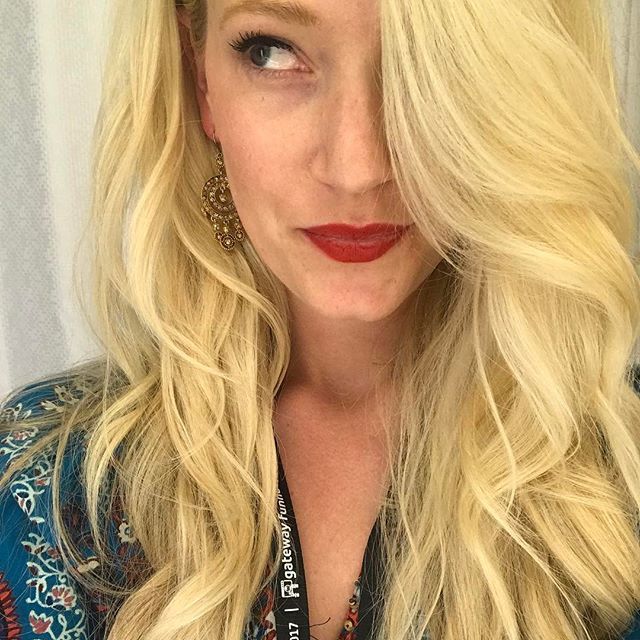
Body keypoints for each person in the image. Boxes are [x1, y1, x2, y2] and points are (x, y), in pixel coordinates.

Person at [2, 0, 640, 638]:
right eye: (271, 52)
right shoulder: (48, 491)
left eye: (431, 61)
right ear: (201, 77)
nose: (358, 168)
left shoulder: (620, 482)